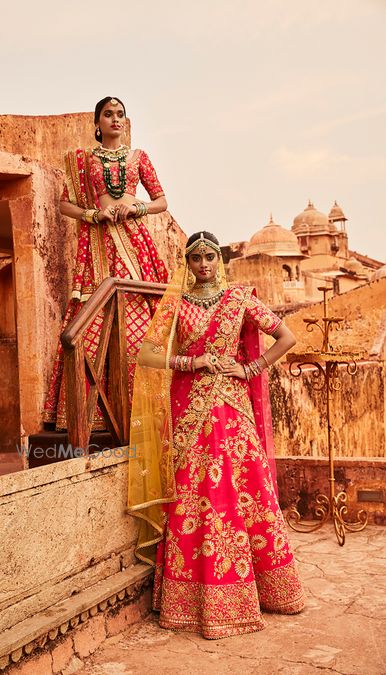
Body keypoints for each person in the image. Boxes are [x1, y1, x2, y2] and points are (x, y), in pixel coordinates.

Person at [127, 231, 305, 639]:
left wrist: (250, 368)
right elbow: (148, 354)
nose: (204, 264)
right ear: (187, 263)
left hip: (232, 410)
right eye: (196, 258)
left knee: (243, 491)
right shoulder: (177, 304)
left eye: (210, 256)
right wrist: (191, 361)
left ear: (219, 260)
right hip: (189, 413)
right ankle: (191, 599)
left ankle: (266, 592)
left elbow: (286, 337)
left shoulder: (240, 299)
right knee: (197, 492)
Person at [43, 96, 168, 430]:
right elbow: (65, 205)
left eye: (120, 114)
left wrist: (137, 208)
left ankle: (145, 410)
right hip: (99, 244)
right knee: (94, 323)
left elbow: (161, 201)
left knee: (139, 321)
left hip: (134, 243)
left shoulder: (139, 157)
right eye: (108, 114)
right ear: (97, 123)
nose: (115, 119)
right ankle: (93, 416)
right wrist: (93, 214)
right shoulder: (83, 160)